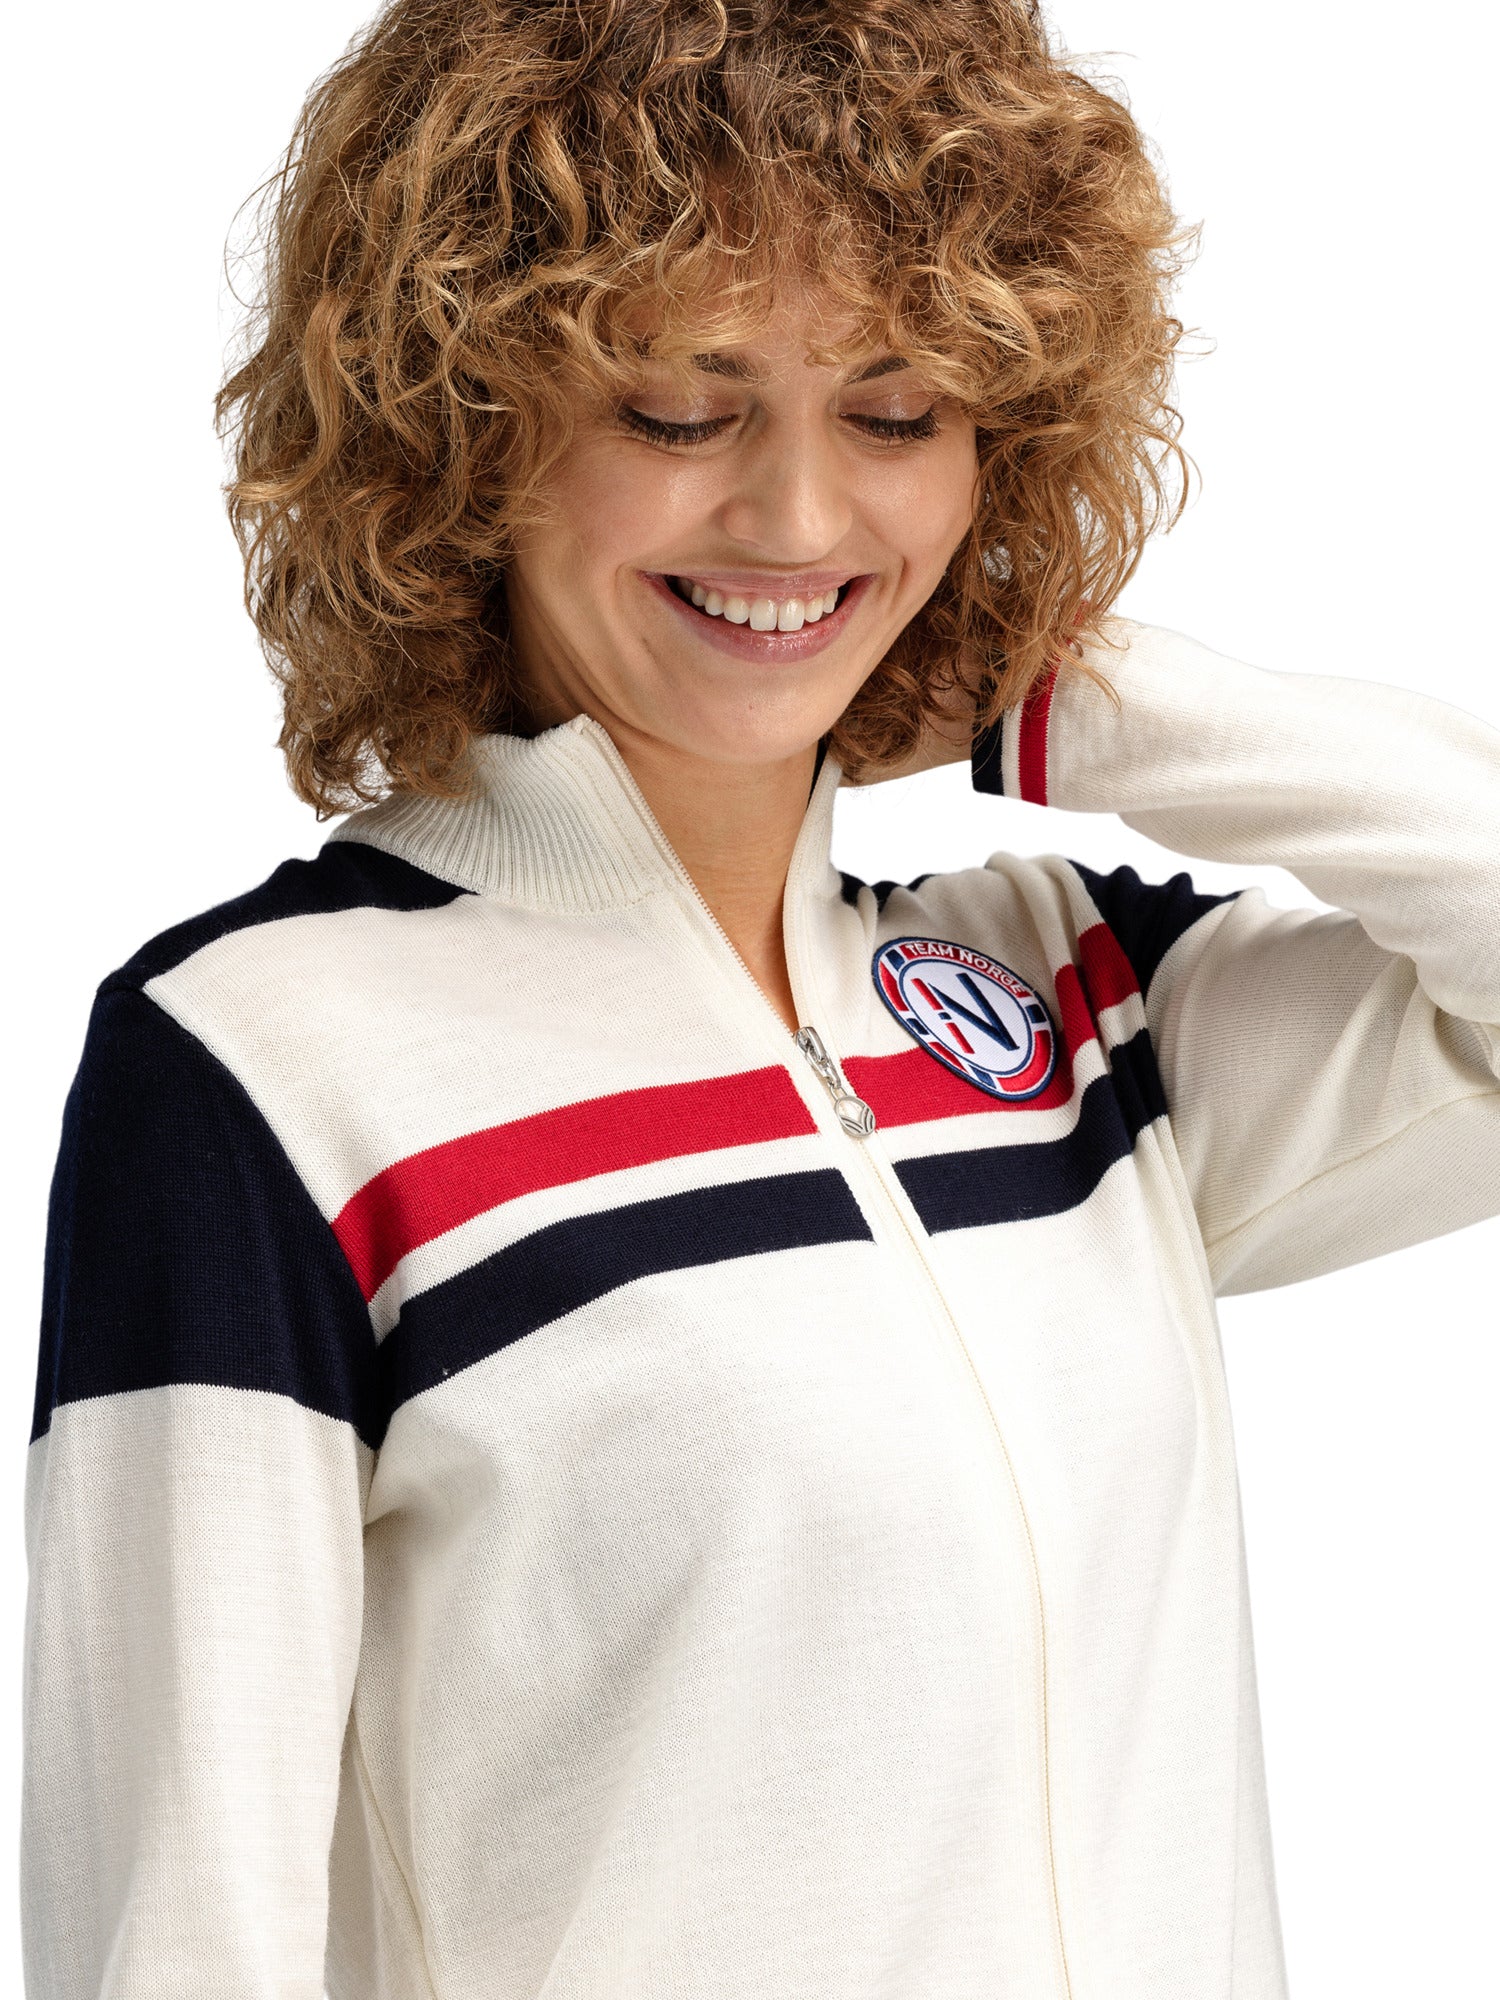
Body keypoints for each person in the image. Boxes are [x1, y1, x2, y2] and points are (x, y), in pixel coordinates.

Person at [19, 0, 1499, 1995]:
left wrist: (1069, 691)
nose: (799, 524)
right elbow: (181, 1933)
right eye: (677, 411)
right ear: (464, 428)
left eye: (895, 413)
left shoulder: (1068, 994)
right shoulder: (259, 1071)